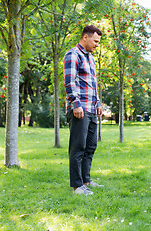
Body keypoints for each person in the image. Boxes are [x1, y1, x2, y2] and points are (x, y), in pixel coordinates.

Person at [63, 25, 104, 195]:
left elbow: (92, 84)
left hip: (91, 109)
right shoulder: (73, 54)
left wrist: (98, 103)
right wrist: (76, 104)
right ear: (85, 38)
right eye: (95, 41)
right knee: (78, 147)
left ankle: (86, 181)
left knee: (90, 147)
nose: (97, 45)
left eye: (98, 42)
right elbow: (69, 81)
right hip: (79, 108)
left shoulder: (91, 58)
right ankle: (77, 186)